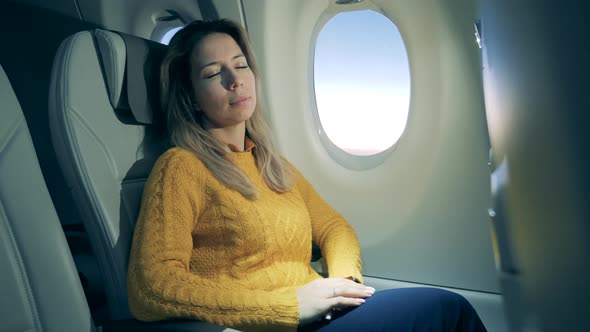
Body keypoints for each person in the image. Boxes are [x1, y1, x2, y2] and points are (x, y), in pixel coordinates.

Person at [127, 19, 487, 332]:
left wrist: (343, 284)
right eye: (212, 73)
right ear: (190, 96)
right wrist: (291, 307)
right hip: (276, 326)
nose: (234, 80)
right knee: (449, 312)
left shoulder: (271, 164)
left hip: (322, 312)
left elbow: (335, 227)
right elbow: (153, 285)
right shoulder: (182, 167)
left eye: (241, 66)